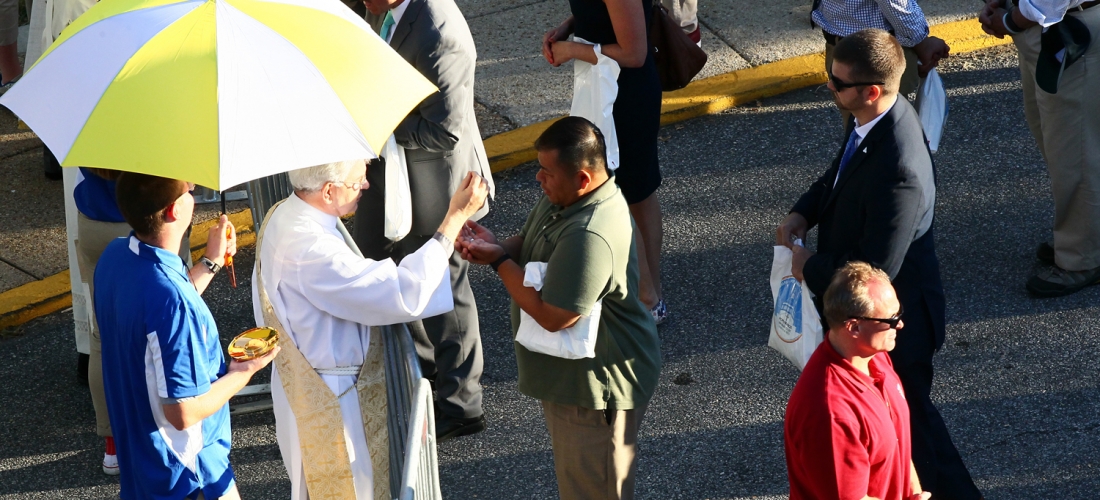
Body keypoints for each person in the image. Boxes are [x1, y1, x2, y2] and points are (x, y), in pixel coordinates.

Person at [775, 29, 981, 500]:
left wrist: (809, 264)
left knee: (918, 439)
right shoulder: (872, 115)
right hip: (873, 317)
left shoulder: (900, 170)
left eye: (838, 82)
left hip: (890, 323)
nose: (830, 87)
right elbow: (840, 172)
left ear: (871, 89)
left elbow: (873, 271)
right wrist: (803, 210)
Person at [252, 160, 488, 500]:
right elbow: (403, 291)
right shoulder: (311, 250)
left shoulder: (283, 213)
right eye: (356, 181)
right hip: (335, 399)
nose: (365, 186)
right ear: (328, 190)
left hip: (304, 382)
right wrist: (452, 220)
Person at [457, 117, 662, 500]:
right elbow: (536, 242)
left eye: (546, 172)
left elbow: (555, 316)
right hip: (576, 380)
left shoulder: (590, 233)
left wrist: (500, 264)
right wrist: (500, 247)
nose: (538, 178)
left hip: (595, 393)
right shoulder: (569, 197)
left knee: (594, 490)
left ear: (583, 178)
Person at [356, 0, 496, 441]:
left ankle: (462, 405)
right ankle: (429, 376)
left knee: (445, 291)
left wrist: (382, 122)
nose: (362, 4)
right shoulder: (382, 11)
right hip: (395, 180)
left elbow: (446, 131)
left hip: (436, 185)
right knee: (403, 275)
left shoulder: (438, 32)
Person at [94, 173, 277, 499]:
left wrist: (211, 261)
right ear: (174, 211)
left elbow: (160, 308)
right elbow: (183, 412)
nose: (193, 190)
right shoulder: (171, 301)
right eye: (188, 190)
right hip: (190, 474)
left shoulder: (116, 256)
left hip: (144, 465)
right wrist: (244, 372)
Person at [542, 0, 668, 324]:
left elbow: (633, 53)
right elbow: (602, 14)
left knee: (623, 194)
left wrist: (571, 50)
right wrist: (568, 26)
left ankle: (648, 297)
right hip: (612, 89)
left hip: (622, 97)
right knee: (638, 192)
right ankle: (650, 294)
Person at [74, 167, 196, 476]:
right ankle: (173, 431)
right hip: (155, 224)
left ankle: (113, 443)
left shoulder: (94, 117)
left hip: (95, 220)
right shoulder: (158, 122)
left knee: (103, 338)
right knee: (169, 328)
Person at [978, 0, 1100, 296]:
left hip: (1067, 23)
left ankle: (1083, 256)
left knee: (1075, 151)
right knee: (1059, 141)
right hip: (1044, 23)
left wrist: (1011, 20)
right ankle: (1086, 233)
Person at [785, 262, 930, 500]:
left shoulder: (875, 356)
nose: (901, 324)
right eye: (891, 319)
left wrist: (914, 492)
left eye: (899, 312)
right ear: (853, 327)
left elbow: (897, 445)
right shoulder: (832, 412)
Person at [812, 0, 949, 122]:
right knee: (884, 132)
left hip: (840, 43)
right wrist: (922, 43)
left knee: (859, 132)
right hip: (879, 52)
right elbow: (896, 4)